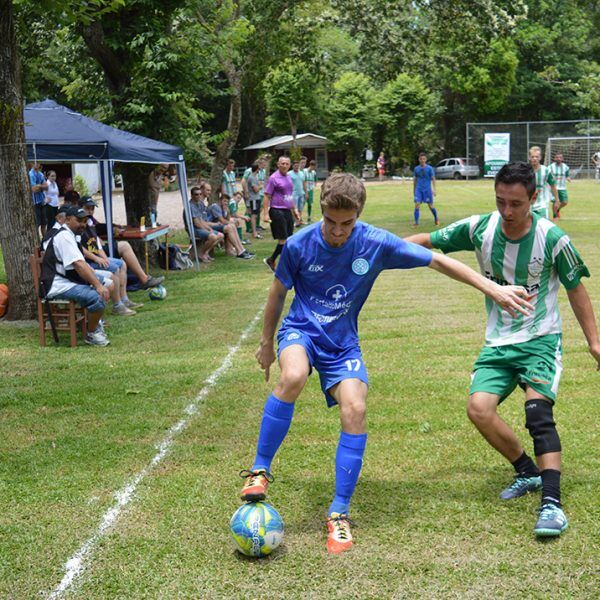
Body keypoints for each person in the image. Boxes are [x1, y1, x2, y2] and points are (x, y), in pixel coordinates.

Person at [239, 172, 533, 553]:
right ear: (322, 211)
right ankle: (260, 469)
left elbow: (437, 262)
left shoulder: (374, 243)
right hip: (301, 332)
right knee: (293, 374)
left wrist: (493, 288)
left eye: (347, 224)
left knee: (356, 408)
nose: (338, 232)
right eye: (330, 221)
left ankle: (339, 514)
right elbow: (278, 293)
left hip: (342, 345)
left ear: (358, 215)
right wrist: (266, 342)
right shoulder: (298, 245)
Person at [406, 161, 600, 538]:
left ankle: (552, 504)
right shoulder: (481, 228)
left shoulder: (552, 237)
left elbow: (576, 289)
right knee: (479, 409)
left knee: (537, 413)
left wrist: (594, 342)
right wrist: (375, 251)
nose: (507, 212)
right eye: (500, 202)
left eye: (516, 204)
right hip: (498, 341)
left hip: (540, 339)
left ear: (533, 199)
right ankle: (527, 471)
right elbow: (426, 242)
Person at [41, 206, 112, 346]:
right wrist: (97, 285)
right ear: (67, 220)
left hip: (68, 281)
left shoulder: (70, 235)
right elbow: (79, 265)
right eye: (79, 220)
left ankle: (94, 323)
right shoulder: (64, 237)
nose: (83, 224)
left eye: (85, 221)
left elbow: (81, 265)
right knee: (98, 296)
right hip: (57, 285)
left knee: (109, 284)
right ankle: (91, 333)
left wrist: (98, 281)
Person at [79, 198, 140, 315]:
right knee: (113, 268)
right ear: (80, 207)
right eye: (88, 208)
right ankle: (117, 305)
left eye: (92, 209)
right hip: (88, 262)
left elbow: (97, 244)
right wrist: (96, 258)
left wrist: (105, 258)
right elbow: (80, 248)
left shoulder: (91, 223)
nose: (90, 211)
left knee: (121, 263)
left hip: (96, 257)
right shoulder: (80, 225)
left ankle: (124, 299)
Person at [262, 156, 299, 272]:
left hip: (287, 210)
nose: (284, 165)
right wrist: (266, 214)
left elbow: (289, 195)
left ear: (289, 165)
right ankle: (278, 262)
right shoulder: (273, 178)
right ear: (278, 164)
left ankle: (272, 260)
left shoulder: (288, 177)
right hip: (276, 210)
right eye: (282, 163)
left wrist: (294, 210)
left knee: (289, 238)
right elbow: (267, 196)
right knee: (283, 239)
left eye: (287, 164)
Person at [208, 194, 255, 259]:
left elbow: (227, 219)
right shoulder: (216, 207)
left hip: (217, 225)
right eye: (224, 201)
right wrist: (231, 222)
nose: (226, 203)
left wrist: (227, 211)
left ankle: (242, 250)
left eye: (227, 202)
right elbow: (222, 221)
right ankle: (239, 251)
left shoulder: (224, 207)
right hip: (209, 226)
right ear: (220, 200)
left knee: (232, 225)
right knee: (231, 226)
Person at [189, 185, 224, 263]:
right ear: (191, 195)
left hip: (200, 227)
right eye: (196, 194)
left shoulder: (200, 203)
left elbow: (202, 220)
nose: (198, 196)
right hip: (194, 229)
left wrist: (209, 228)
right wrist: (208, 229)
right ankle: (201, 254)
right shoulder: (191, 206)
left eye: (200, 194)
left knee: (221, 235)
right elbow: (197, 223)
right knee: (213, 237)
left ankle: (205, 253)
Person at [528, 146, 559, 219]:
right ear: (529, 157)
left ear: (540, 157)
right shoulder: (525, 171)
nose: (534, 159)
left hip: (543, 204)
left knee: (544, 226)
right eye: (532, 157)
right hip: (529, 205)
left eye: (536, 157)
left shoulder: (546, 170)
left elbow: (553, 185)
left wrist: (557, 200)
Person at [412, 152, 439, 227]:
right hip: (419, 189)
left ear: (426, 159)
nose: (422, 160)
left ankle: (436, 218)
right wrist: (414, 190)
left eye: (424, 159)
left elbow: (433, 179)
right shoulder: (416, 169)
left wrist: (434, 189)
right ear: (419, 159)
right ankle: (416, 222)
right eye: (421, 159)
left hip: (427, 189)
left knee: (430, 206)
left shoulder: (430, 168)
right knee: (417, 205)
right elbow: (415, 180)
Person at [29, 162, 48, 237]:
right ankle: (36, 241)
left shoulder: (40, 174)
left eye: (38, 163)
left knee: (44, 223)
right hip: (35, 202)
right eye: (35, 163)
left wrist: (39, 186)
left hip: (42, 202)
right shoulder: (31, 174)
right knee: (36, 224)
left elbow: (46, 187)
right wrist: (41, 186)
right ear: (31, 164)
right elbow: (34, 189)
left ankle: (44, 241)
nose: (37, 164)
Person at [549, 152, 571, 219]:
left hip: (562, 187)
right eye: (557, 157)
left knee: (564, 202)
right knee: (556, 201)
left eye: (560, 157)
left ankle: (557, 210)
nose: (558, 159)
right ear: (555, 158)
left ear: (562, 159)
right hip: (554, 187)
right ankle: (554, 216)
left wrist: (568, 178)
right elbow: (547, 175)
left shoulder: (566, 167)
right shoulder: (550, 167)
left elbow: (567, 175)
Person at [245, 163, 263, 239]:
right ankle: (254, 232)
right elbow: (255, 189)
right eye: (259, 168)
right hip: (254, 199)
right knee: (254, 216)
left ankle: (255, 230)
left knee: (255, 215)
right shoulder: (252, 177)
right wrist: (260, 186)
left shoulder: (255, 177)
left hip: (256, 198)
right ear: (257, 169)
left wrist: (259, 185)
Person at [289, 160, 307, 226]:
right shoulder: (289, 174)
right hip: (293, 194)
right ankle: (295, 221)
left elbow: (304, 183)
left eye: (297, 166)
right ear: (292, 166)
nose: (296, 167)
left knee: (300, 208)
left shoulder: (302, 173)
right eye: (295, 166)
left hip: (301, 193)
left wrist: (306, 192)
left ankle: (298, 220)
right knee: (294, 208)